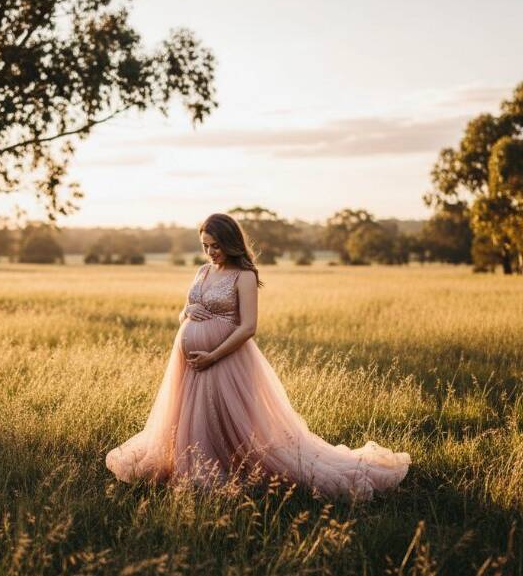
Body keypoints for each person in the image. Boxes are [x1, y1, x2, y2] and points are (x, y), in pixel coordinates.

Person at [105, 213, 410, 501]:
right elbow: (183, 312)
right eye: (205, 246)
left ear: (231, 243)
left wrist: (212, 355)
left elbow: (248, 327)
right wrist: (186, 311)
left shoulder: (244, 276)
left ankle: (228, 470)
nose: (211, 252)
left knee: (226, 422)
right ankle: (194, 467)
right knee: (191, 420)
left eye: (216, 246)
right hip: (189, 365)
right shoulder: (202, 271)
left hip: (226, 360)